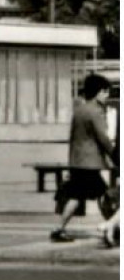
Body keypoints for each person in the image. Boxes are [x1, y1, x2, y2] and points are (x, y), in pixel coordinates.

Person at [51, 73, 113, 243]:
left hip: (77, 161)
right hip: (90, 163)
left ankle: (59, 228)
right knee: (105, 194)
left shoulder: (79, 111)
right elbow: (103, 138)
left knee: (78, 196)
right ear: (99, 92)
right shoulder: (95, 112)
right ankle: (112, 227)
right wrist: (115, 155)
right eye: (106, 92)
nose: (107, 96)